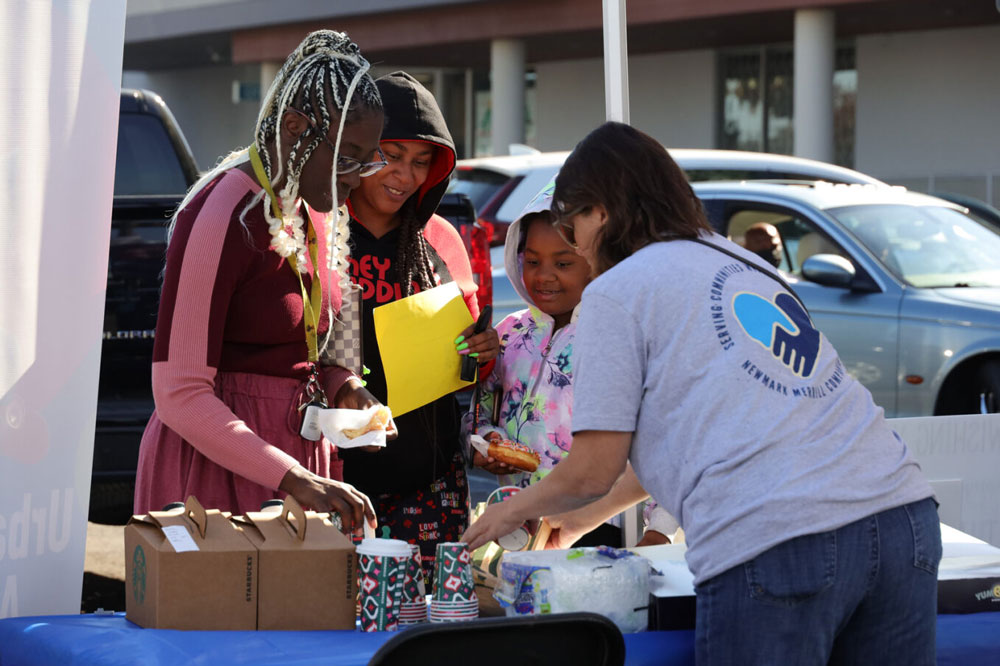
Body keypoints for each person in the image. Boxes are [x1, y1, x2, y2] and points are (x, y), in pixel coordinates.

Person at [464, 121, 940, 666]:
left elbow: (593, 468)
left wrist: (508, 514)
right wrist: (576, 521)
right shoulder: (743, 262)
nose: (577, 248)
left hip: (778, 536)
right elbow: (691, 440)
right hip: (903, 519)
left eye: (572, 230)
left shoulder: (616, 291)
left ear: (601, 211)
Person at [133, 30, 387, 536]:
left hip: (295, 470)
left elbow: (332, 341)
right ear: (295, 127)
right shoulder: (221, 211)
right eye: (348, 156)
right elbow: (178, 393)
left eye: (368, 157)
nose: (359, 176)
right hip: (212, 475)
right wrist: (291, 476)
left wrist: (348, 386)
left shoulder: (320, 207)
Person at [339, 71, 499, 581]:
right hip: (334, 483)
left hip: (430, 487)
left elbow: (466, 363)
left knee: (428, 634)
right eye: (391, 154)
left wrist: (480, 353)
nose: (404, 175)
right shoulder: (320, 230)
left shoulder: (441, 239)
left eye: (421, 161)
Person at [465, 185, 622, 546]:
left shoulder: (615, 338)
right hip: (518, 521)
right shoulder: (509, 332)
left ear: (597, 264)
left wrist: (659, 525)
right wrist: (488, 442)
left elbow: (652, 444)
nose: (543, 276)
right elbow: (479, 410)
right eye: (532, 261)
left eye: (563, 263)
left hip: (596, 523)